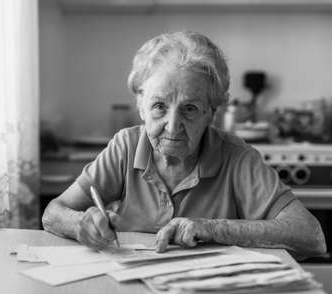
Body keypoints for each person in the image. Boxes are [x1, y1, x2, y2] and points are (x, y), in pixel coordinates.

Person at [42, 31, 326, 258]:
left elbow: (311, 236)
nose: (173, 125)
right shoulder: (125, 146)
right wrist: (82, 225)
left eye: (189, 108)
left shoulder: (237, 158)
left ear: (211, 113)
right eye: (159, 106)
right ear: (140, 106)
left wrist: (212, 228)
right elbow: (54, 212)